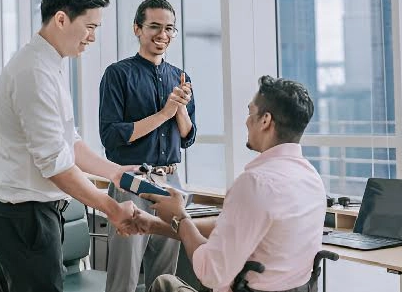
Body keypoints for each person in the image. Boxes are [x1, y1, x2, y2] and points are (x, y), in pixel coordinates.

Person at [0, 0, 139, 292]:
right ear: (61, 19)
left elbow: (70, 142)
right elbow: (55, 163)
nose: (93, 37)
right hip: (24, 217)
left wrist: (116, 172)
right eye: (90, 26)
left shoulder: (50, 64)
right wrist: (111, 208)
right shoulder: (34, 72)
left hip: (35, 214)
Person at [136, 76, 326, 292]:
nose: (246, 121)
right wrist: (155, 225)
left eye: (250, 112)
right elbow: (233, 226)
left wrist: (179, 217)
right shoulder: (311, 178)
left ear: (265, 120)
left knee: (164, 284)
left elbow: (211, 273)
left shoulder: (256, 183)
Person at [99, 0, 196, 292]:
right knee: (124, 275)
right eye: (154, 26)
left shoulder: (180, 76)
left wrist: (179, 109)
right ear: (137, 29)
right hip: (132, 180)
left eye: (169, 28)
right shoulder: (118, 74)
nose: (162, 34)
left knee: (165, 279)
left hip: (171, 181)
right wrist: (164, 112)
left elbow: (188, 137)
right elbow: (112, 137)